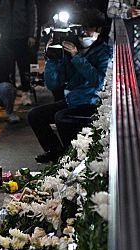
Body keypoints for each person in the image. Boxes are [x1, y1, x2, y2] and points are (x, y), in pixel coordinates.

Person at [27, 9, 112, 163]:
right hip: (72, 100)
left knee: (61, 117)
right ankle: (55, 151)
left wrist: (77, 57)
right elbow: (54, 83)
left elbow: (98, 82)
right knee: (35, 115)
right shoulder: (70, 48)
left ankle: (71, 157)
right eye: (81, 28)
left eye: (88, 28)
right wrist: (52, 57)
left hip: (92, 103)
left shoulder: (105, 52)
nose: (84, 33)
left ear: (99, 30)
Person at [0, 0, 36, 106]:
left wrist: (31, 34)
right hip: (5, 37)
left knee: (24, 66)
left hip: (22, 36)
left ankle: (26, 93)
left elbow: (32, 14)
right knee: (7, 67)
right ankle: (10, 93)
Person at [107, 0, 140, 75]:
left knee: (138, 71)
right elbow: (110, 11)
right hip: (120, 35)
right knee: (116, 68)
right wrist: (127, 13)